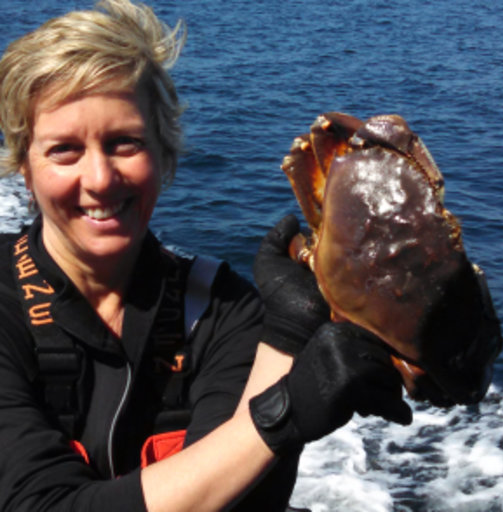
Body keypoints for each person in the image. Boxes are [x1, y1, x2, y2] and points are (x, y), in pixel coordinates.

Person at [0, 1, 413, 510]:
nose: (101, 179)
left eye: (125, 143)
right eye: (64, 149)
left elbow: (239, 495)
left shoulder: (222, 308)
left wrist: (287, 337)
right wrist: (283, 413)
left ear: (164, 153)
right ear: (24, 168)